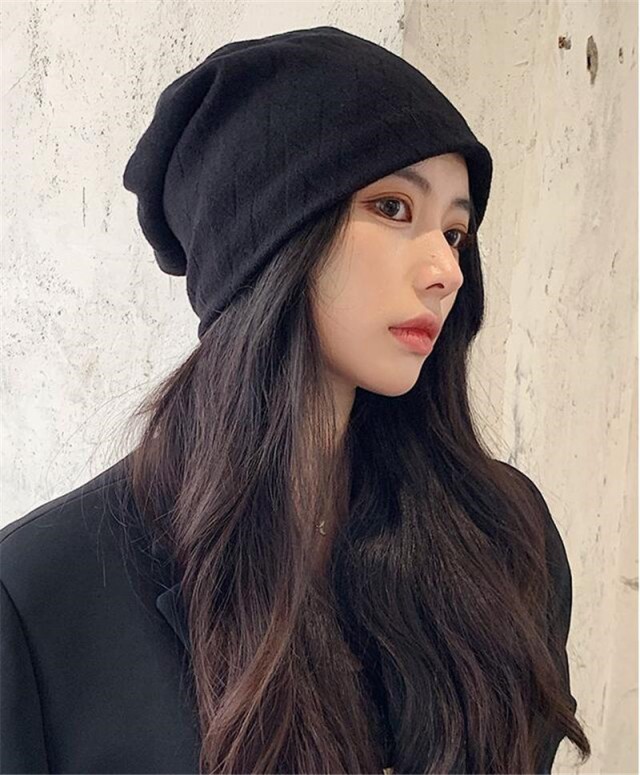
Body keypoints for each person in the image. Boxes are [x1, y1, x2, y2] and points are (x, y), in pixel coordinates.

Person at [0, 25, 591, 774]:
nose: (446, 268)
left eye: (455, 231)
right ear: (270, 239)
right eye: (392, 208)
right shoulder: (42, 594)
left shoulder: (504, 538)